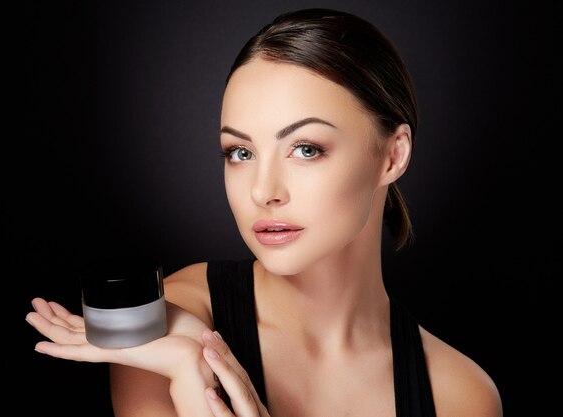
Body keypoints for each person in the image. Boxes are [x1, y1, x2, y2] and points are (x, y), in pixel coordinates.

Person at [26, 8, 503, 417]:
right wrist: (192, 369)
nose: (263, 191)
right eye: (240, 152)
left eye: (306, 149)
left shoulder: (459, 394)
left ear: (392, 156)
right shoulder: (173, 321)